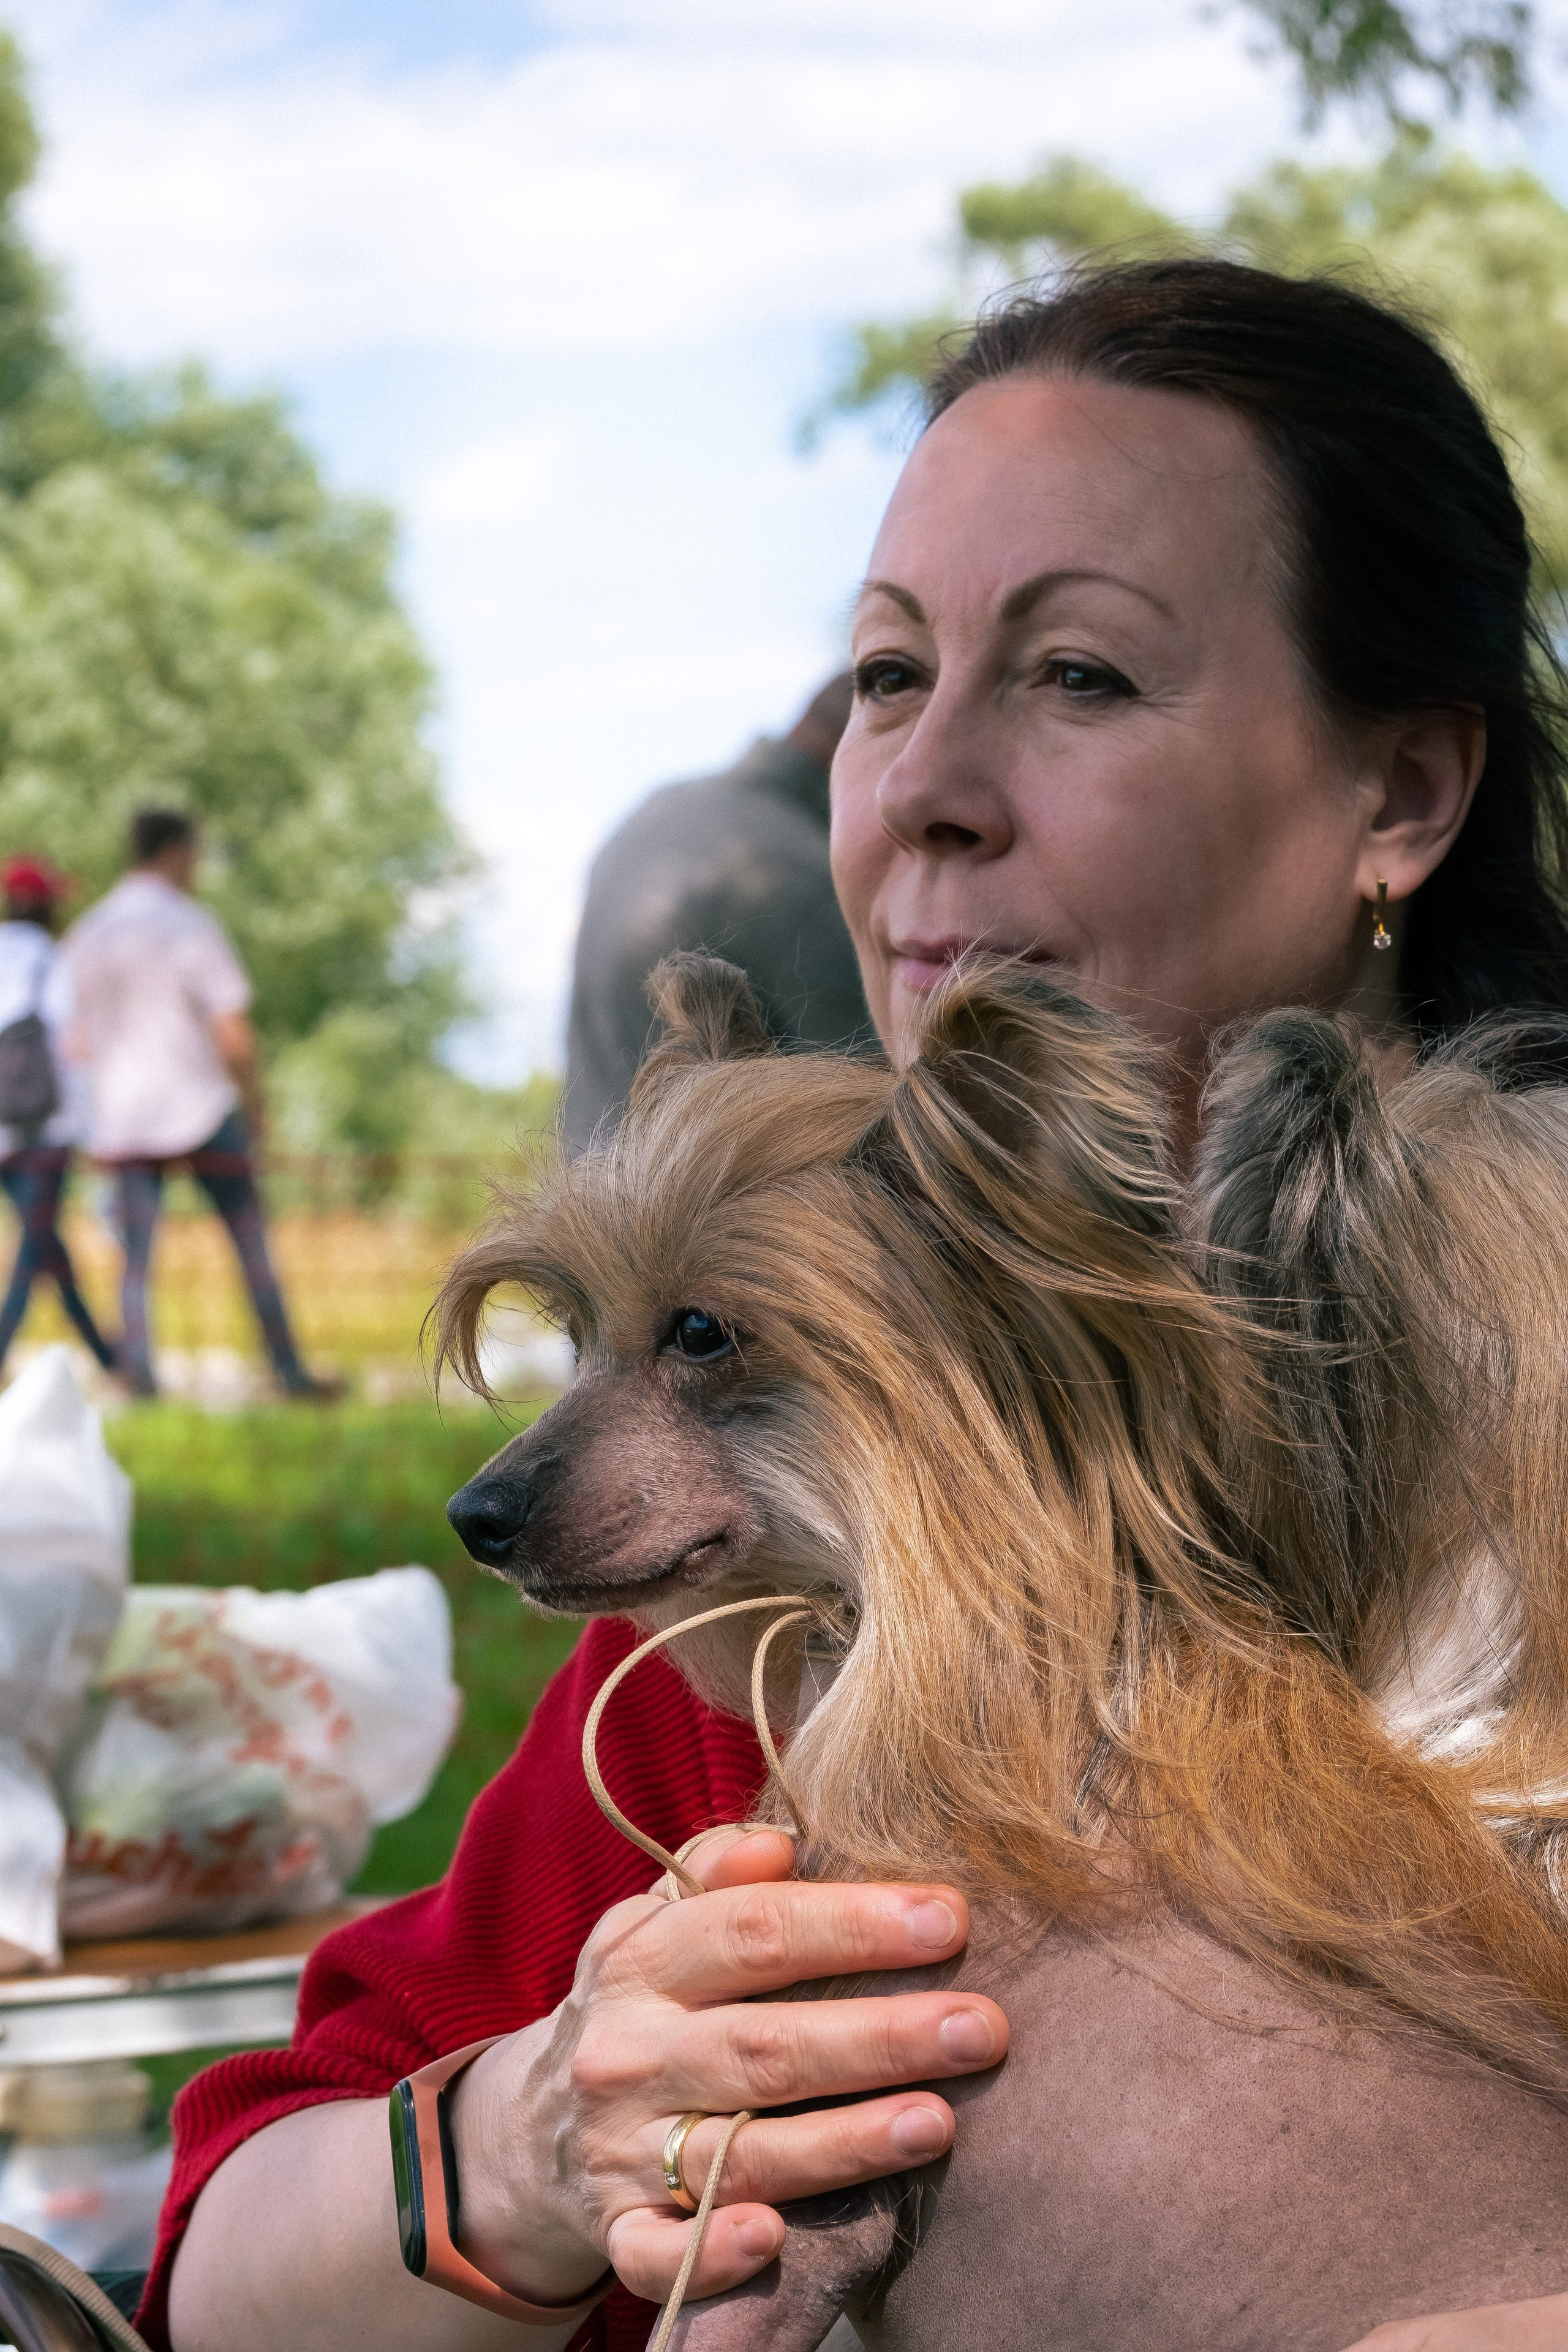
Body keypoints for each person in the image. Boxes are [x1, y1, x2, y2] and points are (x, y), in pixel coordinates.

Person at [153, 261, 1568, 2352]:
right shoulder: (771, 1559)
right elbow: (215, 2263)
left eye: (1081, 676)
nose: (922, 785)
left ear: (1405, 796)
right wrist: (532, 2146)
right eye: (889, 678)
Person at [63, 809, 336, 1403]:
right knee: (250, 1243)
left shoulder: (88, 934)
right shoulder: (188, 925)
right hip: (200, 1109)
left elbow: (75, 1042)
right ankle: (287, 1373)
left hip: (124, 1118)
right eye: (195, 853)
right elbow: (232, 1032)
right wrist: (256, 1104)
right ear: (175, 851)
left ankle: (139, 1379)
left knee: (134, 1261)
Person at [564, 673, 869, 1152]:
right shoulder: (797, 871)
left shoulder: (657, 809)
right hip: (694, 1218)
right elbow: (872, 1114)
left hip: (579, 1197)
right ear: (857, 757)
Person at [0, 857, 115, 1376]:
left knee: (42, 1239)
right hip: (46, 1129)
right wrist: (92, 1125)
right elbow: (72, 1046)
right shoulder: (50, 959)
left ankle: (107, 1355)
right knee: (36, 1243)